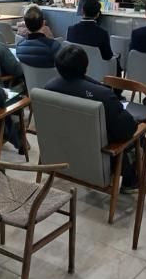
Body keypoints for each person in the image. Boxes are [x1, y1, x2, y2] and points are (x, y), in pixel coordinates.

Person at [45, 45, 138, 191]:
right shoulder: (103, 95)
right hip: (97, 152)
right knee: (137, 132)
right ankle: (130, 180)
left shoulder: (49, 88)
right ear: (86, 66)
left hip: (65, 146)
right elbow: (127, 130)